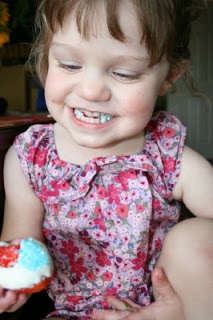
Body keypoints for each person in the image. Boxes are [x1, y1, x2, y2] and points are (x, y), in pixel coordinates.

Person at [0, 0, 213, 319]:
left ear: (169, 75)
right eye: (70, 65)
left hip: (166, 307)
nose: (91, 90)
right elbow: (18, 245)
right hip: (74, 314)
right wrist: (11, 282)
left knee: (197, 238)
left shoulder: (165, 154)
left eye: (124, 73)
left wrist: (180, 308)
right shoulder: (32, 158)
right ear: (47, 58)